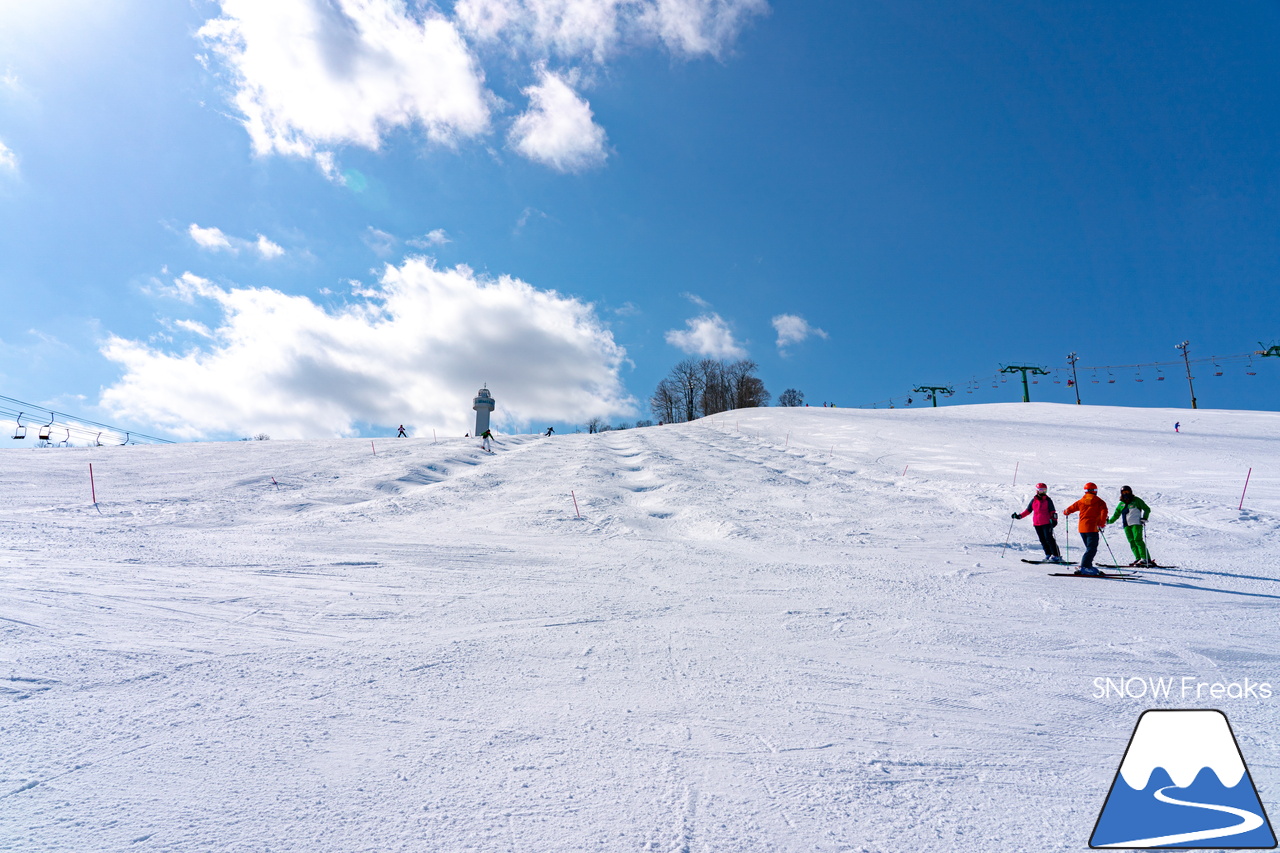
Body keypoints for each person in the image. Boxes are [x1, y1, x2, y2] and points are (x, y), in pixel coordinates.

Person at [1064, 483, 1109, 575]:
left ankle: (1088, 565)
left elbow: (1069, 509)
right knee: (1091, 549)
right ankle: (1085, 567)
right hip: (1092, 528)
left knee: (1089, 549)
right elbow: (1104, 512)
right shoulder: (1100, 502)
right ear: (1095, 491)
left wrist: (1066, 512)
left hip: (1082, 529)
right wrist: (1101, 523)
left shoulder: (1081, 501)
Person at [1011, 483, 1063, 562]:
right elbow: (1028, 511)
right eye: (1041, 490)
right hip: (1037, 524)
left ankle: (1056, 556)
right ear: (1037, 491)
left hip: (1047, 523)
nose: (1043, 492)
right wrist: (1019, 516)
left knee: (1049, 539)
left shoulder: (1048, 500)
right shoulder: (1034, 501)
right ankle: (1048, 554)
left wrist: (1054, 521)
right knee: (1042, 540)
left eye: (1045, 490)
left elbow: (1053, 511)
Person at [1109, 486, 1153, 566]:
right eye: (1124, 493)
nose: (1126, 494)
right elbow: (1116, 515)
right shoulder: (1121, 504)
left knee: (1138, 540)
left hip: (1136, 524)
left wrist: (1144, 518)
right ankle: (1138, 558)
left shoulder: (1137, 501)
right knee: (1131, 541)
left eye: (1127, 492)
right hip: (1126, 525)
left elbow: (1147, 509)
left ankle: (1146, 559)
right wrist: (1108, 521)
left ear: (1130, 492)